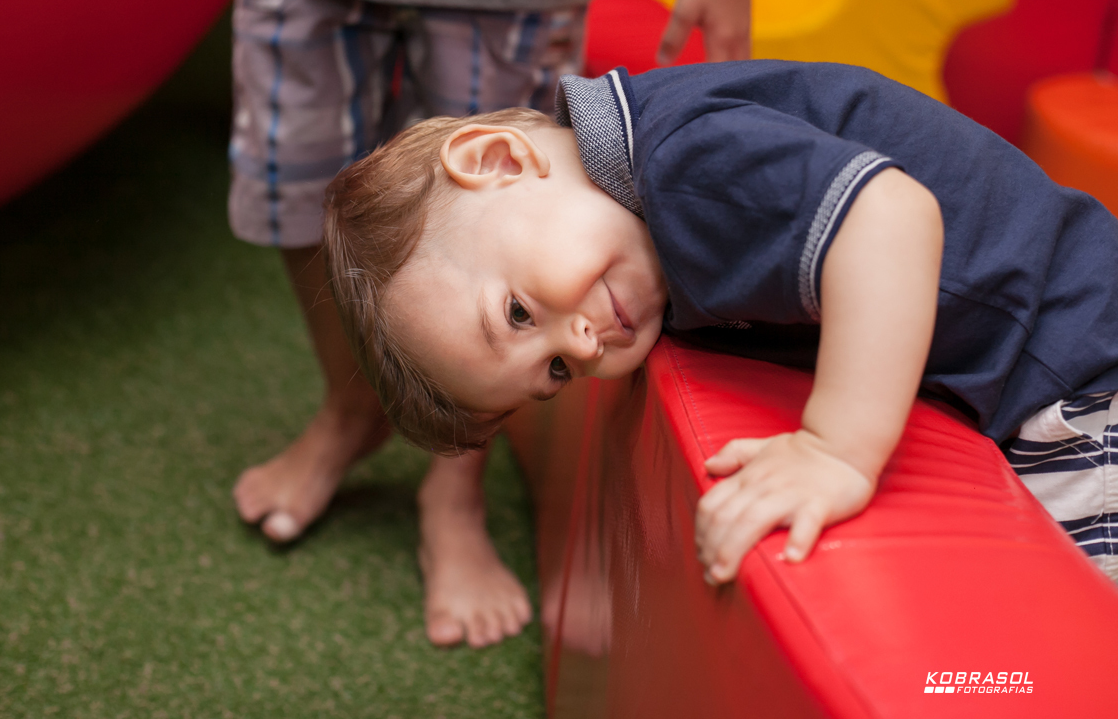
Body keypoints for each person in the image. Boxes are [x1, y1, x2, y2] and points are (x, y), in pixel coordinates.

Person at [321, 59, 1118, 585]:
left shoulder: (683, 167)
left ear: (499, 161)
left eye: (520, 313)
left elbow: (890, 216)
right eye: (556, 373)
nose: (580, 343)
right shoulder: (641, 199)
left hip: (1081, 367)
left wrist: (836, 448)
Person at [227, 0, 757, 648]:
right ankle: (354, 406)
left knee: (498, 247)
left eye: (560, 370)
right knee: (294, 186)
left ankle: (453, 493)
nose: (582, 344)